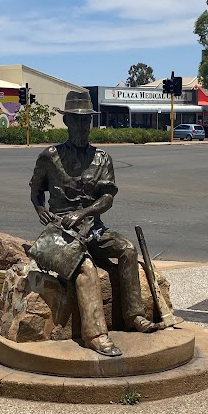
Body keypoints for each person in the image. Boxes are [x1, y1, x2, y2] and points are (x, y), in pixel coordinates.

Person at [29, 91, 157, 357]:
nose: (81, 127)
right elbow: (35, 190)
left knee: (128, 249)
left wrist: (84, 213)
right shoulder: (49, 156)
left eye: (86, 121)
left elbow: (107, 198)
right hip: (60, 232)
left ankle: (134, 315)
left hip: (93, 229)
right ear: (66, 122)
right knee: (85, 267)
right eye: (76, 121)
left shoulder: (102, 158)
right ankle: (96, 335)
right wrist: (40, 208)